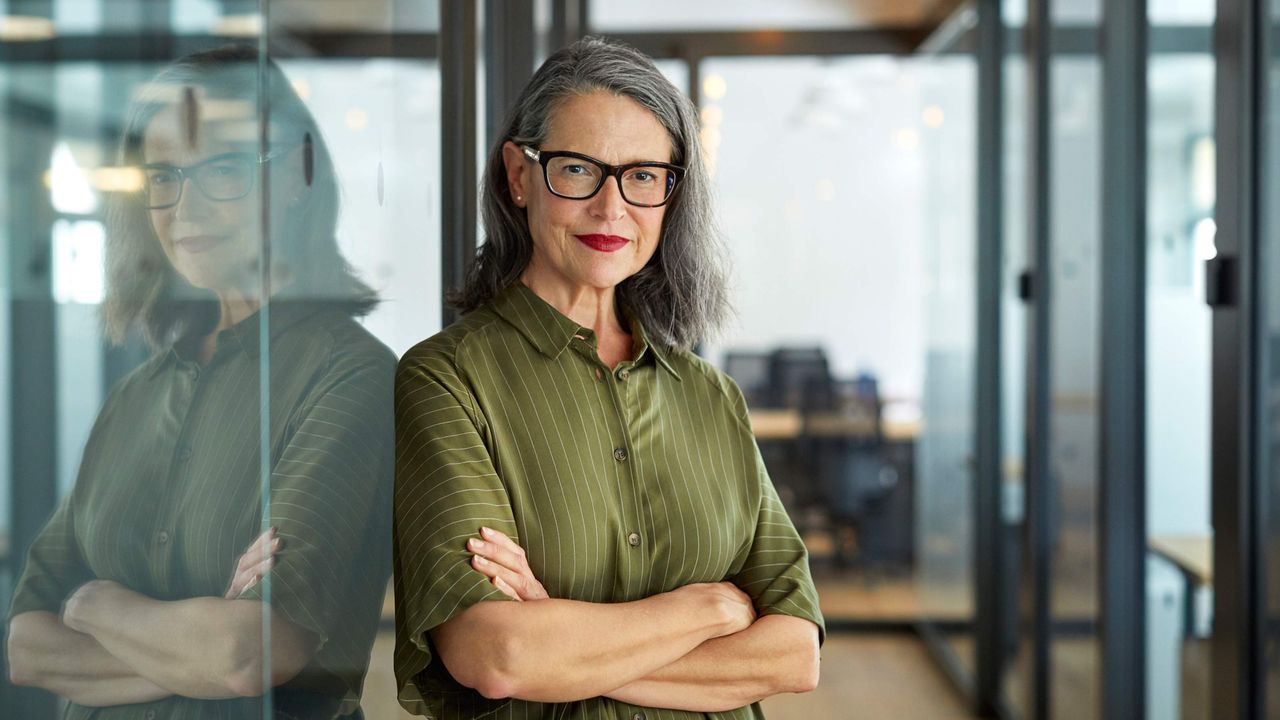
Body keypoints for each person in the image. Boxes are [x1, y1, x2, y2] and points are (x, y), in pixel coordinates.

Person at [393, 37, 824, 719]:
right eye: (577, 170)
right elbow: (497, 655)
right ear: (517, 175)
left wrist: (565, 646)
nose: (611, 209)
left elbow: (795, 655)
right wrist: (709, 608)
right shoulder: (446, 379)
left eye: (644, 175)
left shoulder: (711, 397)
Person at [6, 46, 394, 719]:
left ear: (297, 173)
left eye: (220, 170)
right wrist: (192, 644)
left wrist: (95, 603)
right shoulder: (139, 392)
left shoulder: (353, 377)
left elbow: (247, 654)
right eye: (163, 175)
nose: (183, 207)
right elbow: (27, 647)